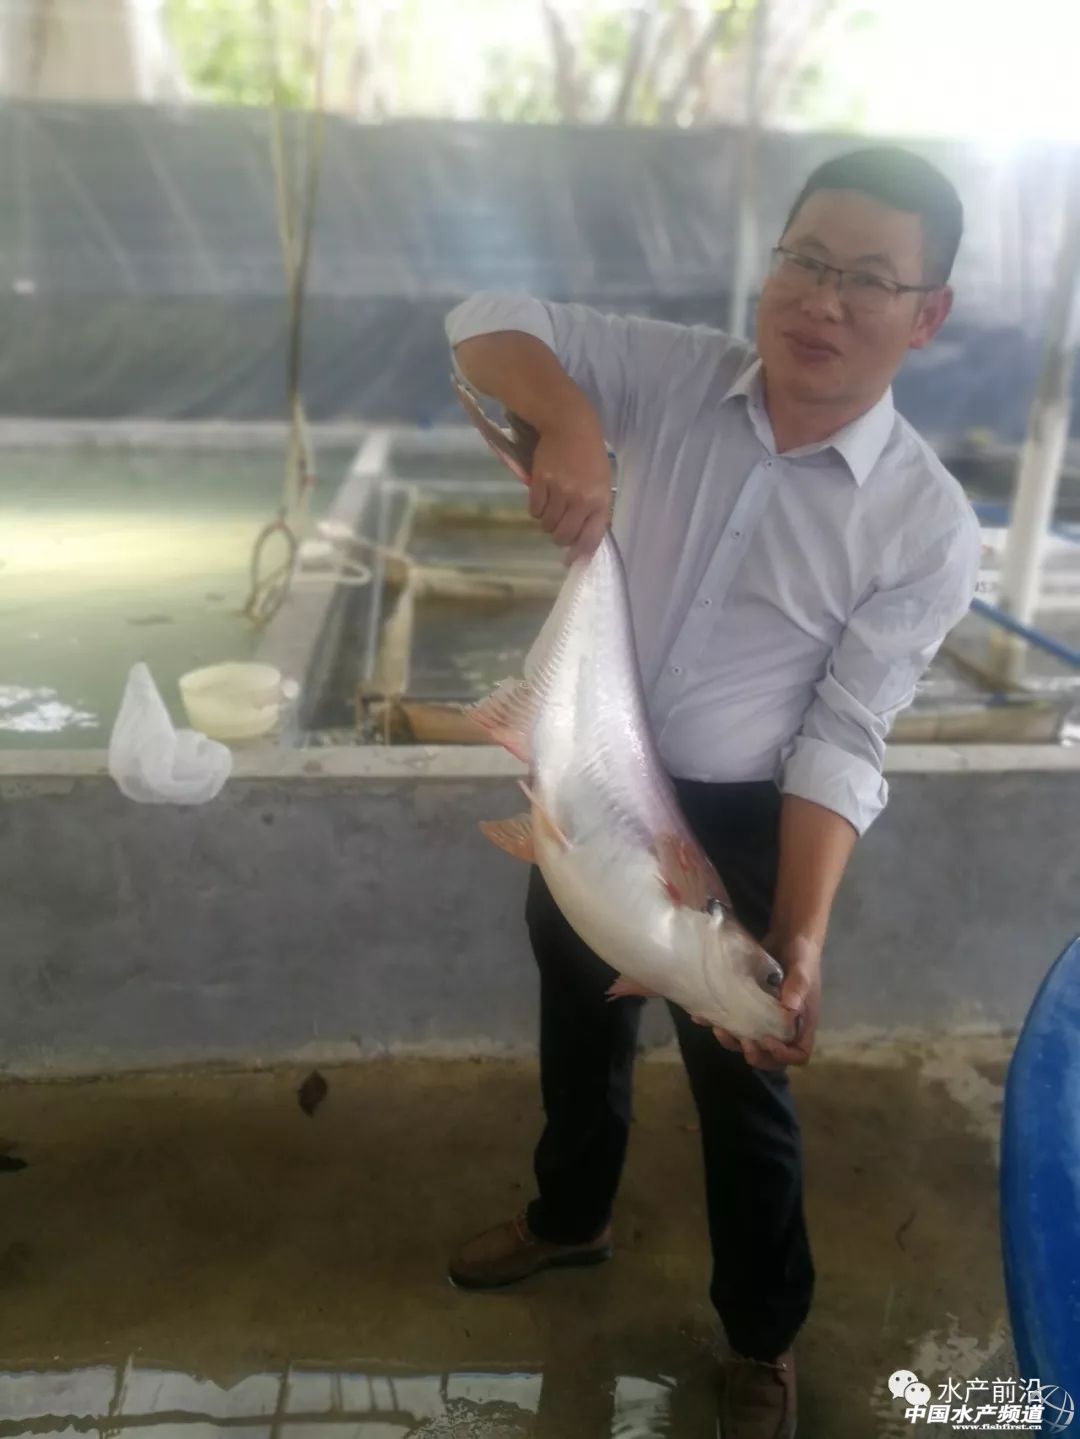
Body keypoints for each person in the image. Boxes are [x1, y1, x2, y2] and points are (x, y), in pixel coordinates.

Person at [442, 146, 981, 1439]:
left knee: (745, 1082)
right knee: (577, 1021)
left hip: (739, 820)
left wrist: (800, 933)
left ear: (927, 315)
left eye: (869, 279)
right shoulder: (676, 373)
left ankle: (761, 1334)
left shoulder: (925, 527)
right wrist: (572, 426)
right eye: (805, 260)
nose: (824, 301)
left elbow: (844, 736)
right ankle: (570, 1217)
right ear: (771, 264)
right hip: (592, 767)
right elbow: (480, 323)